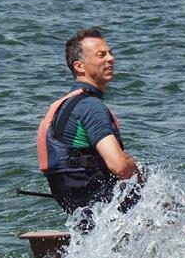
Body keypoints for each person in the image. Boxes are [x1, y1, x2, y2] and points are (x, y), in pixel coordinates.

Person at [37, 27, 141, 214]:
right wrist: (137, 169)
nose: (111, 58)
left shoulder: (68, 104)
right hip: (102, 203)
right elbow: (119, 166)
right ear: (79, 66)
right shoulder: (90, 106)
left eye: (110, 53)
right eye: (101, 55)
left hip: (79, 206)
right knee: (162, 190)